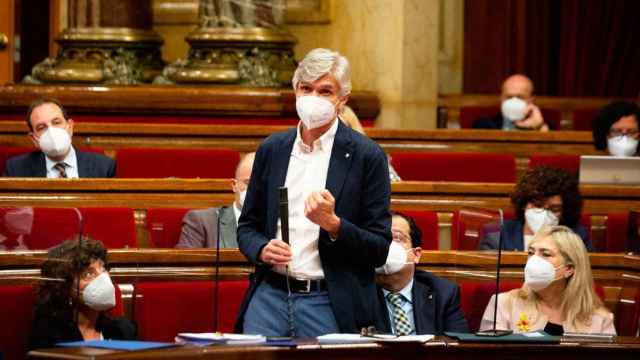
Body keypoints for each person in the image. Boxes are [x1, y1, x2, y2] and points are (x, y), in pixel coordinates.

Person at [235, 48, 392, 337]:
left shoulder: (366, 156)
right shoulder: (272, 149)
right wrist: (261, 248)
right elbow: (247, 227)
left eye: (325, 91)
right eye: (306, 89)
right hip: (270, 296)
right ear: (295, 91)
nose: (313, 99)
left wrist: (334, 224)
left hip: (329, 300)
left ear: (342, 99)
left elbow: (379, 247)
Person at [480, 226, 615, 335]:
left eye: (545, 254)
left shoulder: (600, 319)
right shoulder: (504, 304)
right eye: (531, 253)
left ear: (569, 268)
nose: (534, 260)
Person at [29, 238, 137, 349]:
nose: (102, 278)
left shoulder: (124, 330)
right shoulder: (50, 335)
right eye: (88, 274)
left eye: (103, 268)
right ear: (65, 287)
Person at [376, 212, 468, 335]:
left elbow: (459, 350)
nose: (387, 246)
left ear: (416, 254)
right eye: (380, 238)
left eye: (397, 238)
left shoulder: (444, 293)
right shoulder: (356, 292)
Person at [479, 165, 592, 251]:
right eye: (538, 205)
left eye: (554, 209)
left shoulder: (577, 237)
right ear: (524, 204)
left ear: (565, 211)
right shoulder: (499, 235)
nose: (544, 214)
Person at [3, 98, 116, 178]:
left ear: (70, 127)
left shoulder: (104, 167)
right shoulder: (16, 170)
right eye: (42, 127)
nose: (51, 131)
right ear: (34, 139)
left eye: (56, 122)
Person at [175, 152, 255, 248]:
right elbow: (186, 262)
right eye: (249, 183)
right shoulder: (202, 222)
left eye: (264, 185)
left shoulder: (277, 222)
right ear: (234, 185)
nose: (256, 190)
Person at [473, 74, 549, 131]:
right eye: (509, 97)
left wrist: (539, 127)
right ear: (501, 98)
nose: (514, 101)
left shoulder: (543, 126)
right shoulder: (483, 125)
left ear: (531, 100)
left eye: (520, 97)